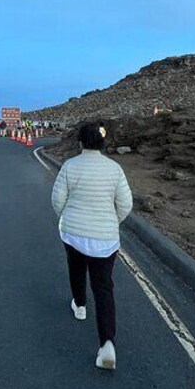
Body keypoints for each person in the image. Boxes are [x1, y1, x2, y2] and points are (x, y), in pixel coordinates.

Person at [51, 123, 133, 370]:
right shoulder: (115, 169)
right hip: (105, 239)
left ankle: (80, 306)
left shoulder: (70, 166)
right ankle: (107, 343)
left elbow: (57, 200)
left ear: (80, 143)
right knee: (104, 287)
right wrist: (111, 222)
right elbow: (126, 204)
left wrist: (68, 218)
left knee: (76, 269)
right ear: (102, 143)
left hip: (74, 233)